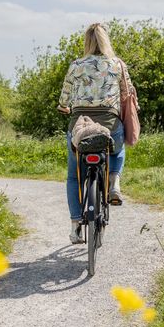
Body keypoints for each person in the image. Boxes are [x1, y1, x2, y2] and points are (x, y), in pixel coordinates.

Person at [57, 23, 134, 244]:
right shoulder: (117, 64)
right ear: (106, 40)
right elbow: (126, 93)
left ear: (87, 42)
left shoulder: (76, 65)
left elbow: (64, 99)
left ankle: (74, 227)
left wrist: (66, 107)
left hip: (79, 124)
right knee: (118, 148)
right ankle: (114, 184)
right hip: (110, 123)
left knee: (74, 175)